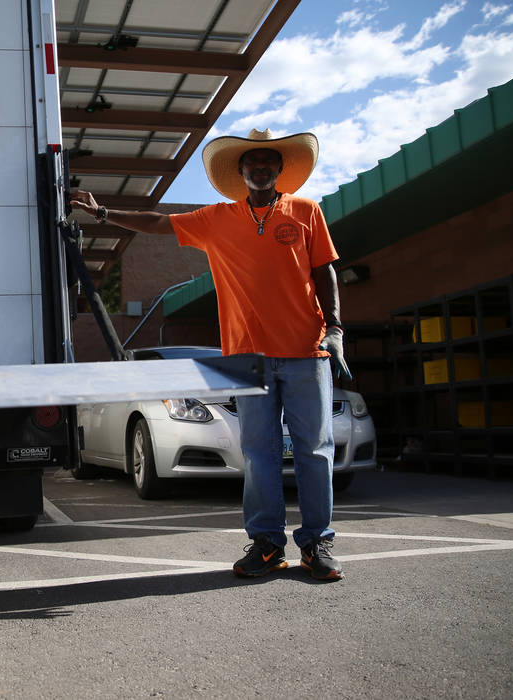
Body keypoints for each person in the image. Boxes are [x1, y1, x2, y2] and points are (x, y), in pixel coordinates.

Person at [70, 128, 351, 581]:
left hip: (306, 350)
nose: (260, 168)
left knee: (313, 451)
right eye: (251, 163)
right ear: (240, 172)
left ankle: (317, 543)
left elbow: (326, 272)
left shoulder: (305, 212)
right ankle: (266, 545)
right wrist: (103, 212)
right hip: (246, 358)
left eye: (268, 161)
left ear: (280, 168)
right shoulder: (216, 219)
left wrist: (334, 328)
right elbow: (159, 224)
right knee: (258, 452)